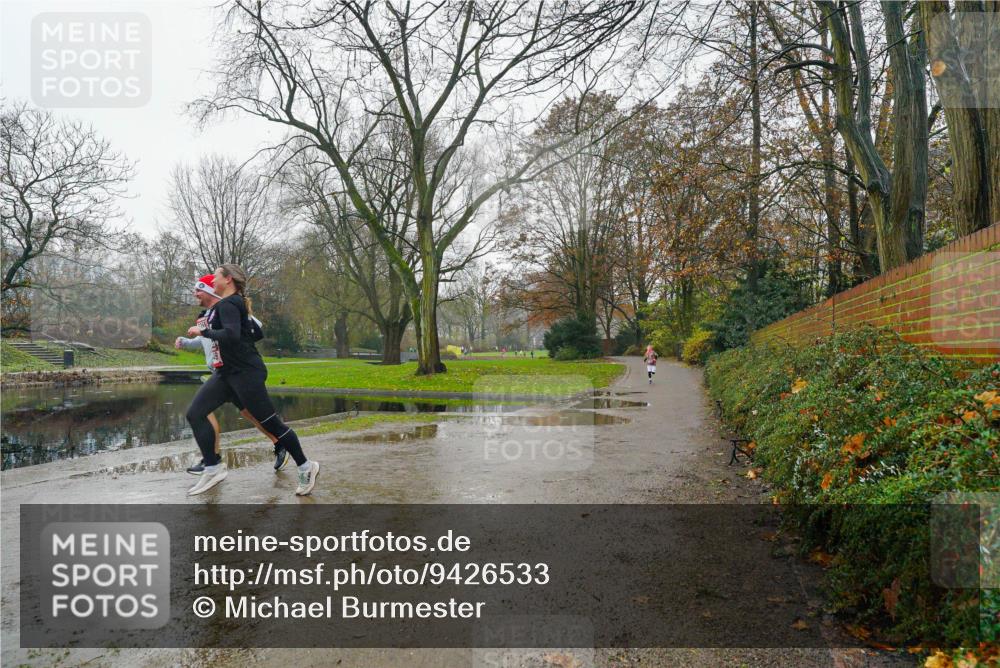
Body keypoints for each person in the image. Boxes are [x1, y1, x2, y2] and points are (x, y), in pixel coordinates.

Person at [184, 264, 320, 496]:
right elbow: (254, 333)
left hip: (246, 374)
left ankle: (307, 466)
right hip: (226, 373)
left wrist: (203, 332)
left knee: (271, 424)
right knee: (195, 413)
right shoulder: (230, 305)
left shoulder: (229, 303)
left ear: (227, 280)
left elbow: (231, 335)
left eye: (215, 276)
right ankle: (213, 467)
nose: (212, 279)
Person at [175, 274, 284, 475]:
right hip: (220, 373)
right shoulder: (204, 316)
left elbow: (255, 329)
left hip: (236, 372)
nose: (194, 294)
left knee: (250, 413)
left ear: (209, 291)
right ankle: (212, 459)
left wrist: (241, 341)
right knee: (202, 411)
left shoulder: (229, 307)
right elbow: (205, 340)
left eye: (198, 290)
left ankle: (280, 442)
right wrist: (186, 341)